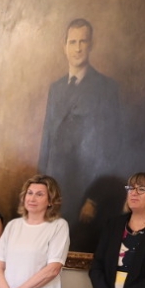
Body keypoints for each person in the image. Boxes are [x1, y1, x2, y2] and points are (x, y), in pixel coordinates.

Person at [37, 18, 124, 249]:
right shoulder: (56, 88)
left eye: (83, 42)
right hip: (56, 191)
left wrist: (95, 198)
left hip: (86, 193)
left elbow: (112, 148)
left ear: (91, 45)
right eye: (72, 42)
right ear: (64, 46)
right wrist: (41, 190)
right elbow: (47, 140)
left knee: (80, 248)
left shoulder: (106, 88)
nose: (77, 48)